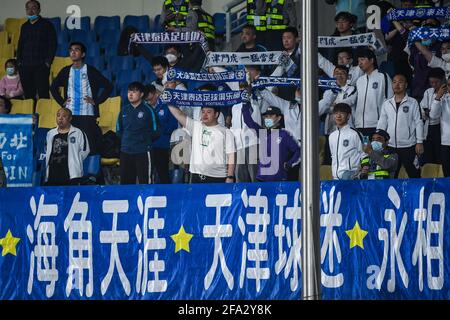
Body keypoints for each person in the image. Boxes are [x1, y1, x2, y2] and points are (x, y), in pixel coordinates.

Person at [50, 42, 113, 155]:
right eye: (71, 50)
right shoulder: (65, 71)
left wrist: (96, 101)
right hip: (70, 113)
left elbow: (108, 86)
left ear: (83, 54)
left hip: (87, 113)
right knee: (70, 144)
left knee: (89, 144)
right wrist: (62, 102)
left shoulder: (90, 70)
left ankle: (92, 171)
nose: (73, 52)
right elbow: (53, 88)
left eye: (76, 50)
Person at [167, 102, 236, 184]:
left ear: (216, 114)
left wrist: (230, 176)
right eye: (203, 112)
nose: (205, 115)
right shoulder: (195, 126)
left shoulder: (226, 132)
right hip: (196, 177)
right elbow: (178, 114)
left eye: (208, 112)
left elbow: (231, 155)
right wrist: (168, 99)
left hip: (218, 177)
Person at [377, 74, 424, 178]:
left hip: (409, 146)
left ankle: (416, 194)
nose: (397, 85)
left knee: (414, 175)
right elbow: (382, 123)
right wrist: (379, 140)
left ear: (406, 85)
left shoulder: (413, 102)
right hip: (391, 146)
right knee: (391, 176)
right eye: (394, 82)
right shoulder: (387, 104)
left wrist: (419, 142)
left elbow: (419, 122)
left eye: (400, 82)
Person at [242, 103, 301, 182]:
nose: (267, 118)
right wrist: (245, 105)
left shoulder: (285, 134)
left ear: (279, 118)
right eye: (266, 116)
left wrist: (289, 164)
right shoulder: (262, 133)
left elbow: (299, 151)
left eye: (270, 116)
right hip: (262, 179)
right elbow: (248, 120)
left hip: (279, 180)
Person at [117, 82, 160, 185]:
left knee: (145, 183)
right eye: (129, 91)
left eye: (134, 91)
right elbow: (119, 130)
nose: (130, 94)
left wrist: (144, 141)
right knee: (125, 184)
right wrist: (127, 142)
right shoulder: (123, 110)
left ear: (141, 94)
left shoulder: (148, 110)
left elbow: (156, 131)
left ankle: (147, 202)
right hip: (126, 152)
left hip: (143, 152)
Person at [17, 0, 56, 100]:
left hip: (41, 66)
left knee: (43, 93)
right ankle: (30, 114)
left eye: (33, 8)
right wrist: (19, 62)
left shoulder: (47, 25)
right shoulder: (24, 26)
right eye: (28, 8)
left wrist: (47, 62)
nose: (30, 11)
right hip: (25, 66)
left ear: (39, 10)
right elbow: (20, 45)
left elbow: (52, 44)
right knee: (28, 94)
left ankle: (43, 115)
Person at [319, 65, 358, 165]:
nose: (339, 75)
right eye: (336, 73)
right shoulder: (328, 91)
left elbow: (348, 103)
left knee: (345, 157)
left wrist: (333, 107)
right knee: (330, 159)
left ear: (347, 76)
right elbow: (324, 108)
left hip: (347, 129)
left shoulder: (352, 89)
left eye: (342, 73)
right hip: (331, 129)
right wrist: (333, 107)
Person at [45, 108, 90, 186]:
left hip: (72, 175)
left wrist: (75, 160)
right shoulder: (50, 133)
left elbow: (85, 151)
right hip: (52, 173)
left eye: (64, 116)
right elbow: (46, 150)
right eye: (58, 116)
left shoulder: (78, 133)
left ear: (70, 118)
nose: (60, 118)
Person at [354, 48, 393, 137]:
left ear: (371, 60)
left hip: (377, 125)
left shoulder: (383, 76)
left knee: (376, 150)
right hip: (359, 125)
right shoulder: (359, 80)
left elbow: (390, 99)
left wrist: (384, 123)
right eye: (358, 60)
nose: (360, 63)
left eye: (362, 59)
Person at [145, 84, 178, 184]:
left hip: (162, 145)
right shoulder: (145, 107)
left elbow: (173, 126)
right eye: (146, 100)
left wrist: (157, 128)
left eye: (150, 99)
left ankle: (167, 195)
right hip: (148, 146)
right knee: (147, 174)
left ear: (155, 94)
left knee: (163, 174)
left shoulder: (167, 105)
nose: (149, 102)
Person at [329, 103, 364, 180]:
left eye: (342, 113)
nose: (338, 116)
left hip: (350, 177)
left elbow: (364, 154)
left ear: (348, 116)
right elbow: (333, 156)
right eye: (336, 113)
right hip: (335, 178)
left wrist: (362, 171)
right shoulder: (332, 136)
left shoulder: (355, 134)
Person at [420, 68, 446, 165]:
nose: (434, 85)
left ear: (443, 79)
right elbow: (423, 109)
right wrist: (426, 112)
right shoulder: (428, 92)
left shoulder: (447, 93)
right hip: (429, 128)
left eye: (436, 82)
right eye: (431, 82)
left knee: (441, 158)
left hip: (441, 128)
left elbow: (435, 114)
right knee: (429, 158)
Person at [429, 75, 450, 177]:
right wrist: (438, 97)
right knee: (447, 175)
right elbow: (433, 115)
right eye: (449, 85)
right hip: (446, 143)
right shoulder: (442, 99)